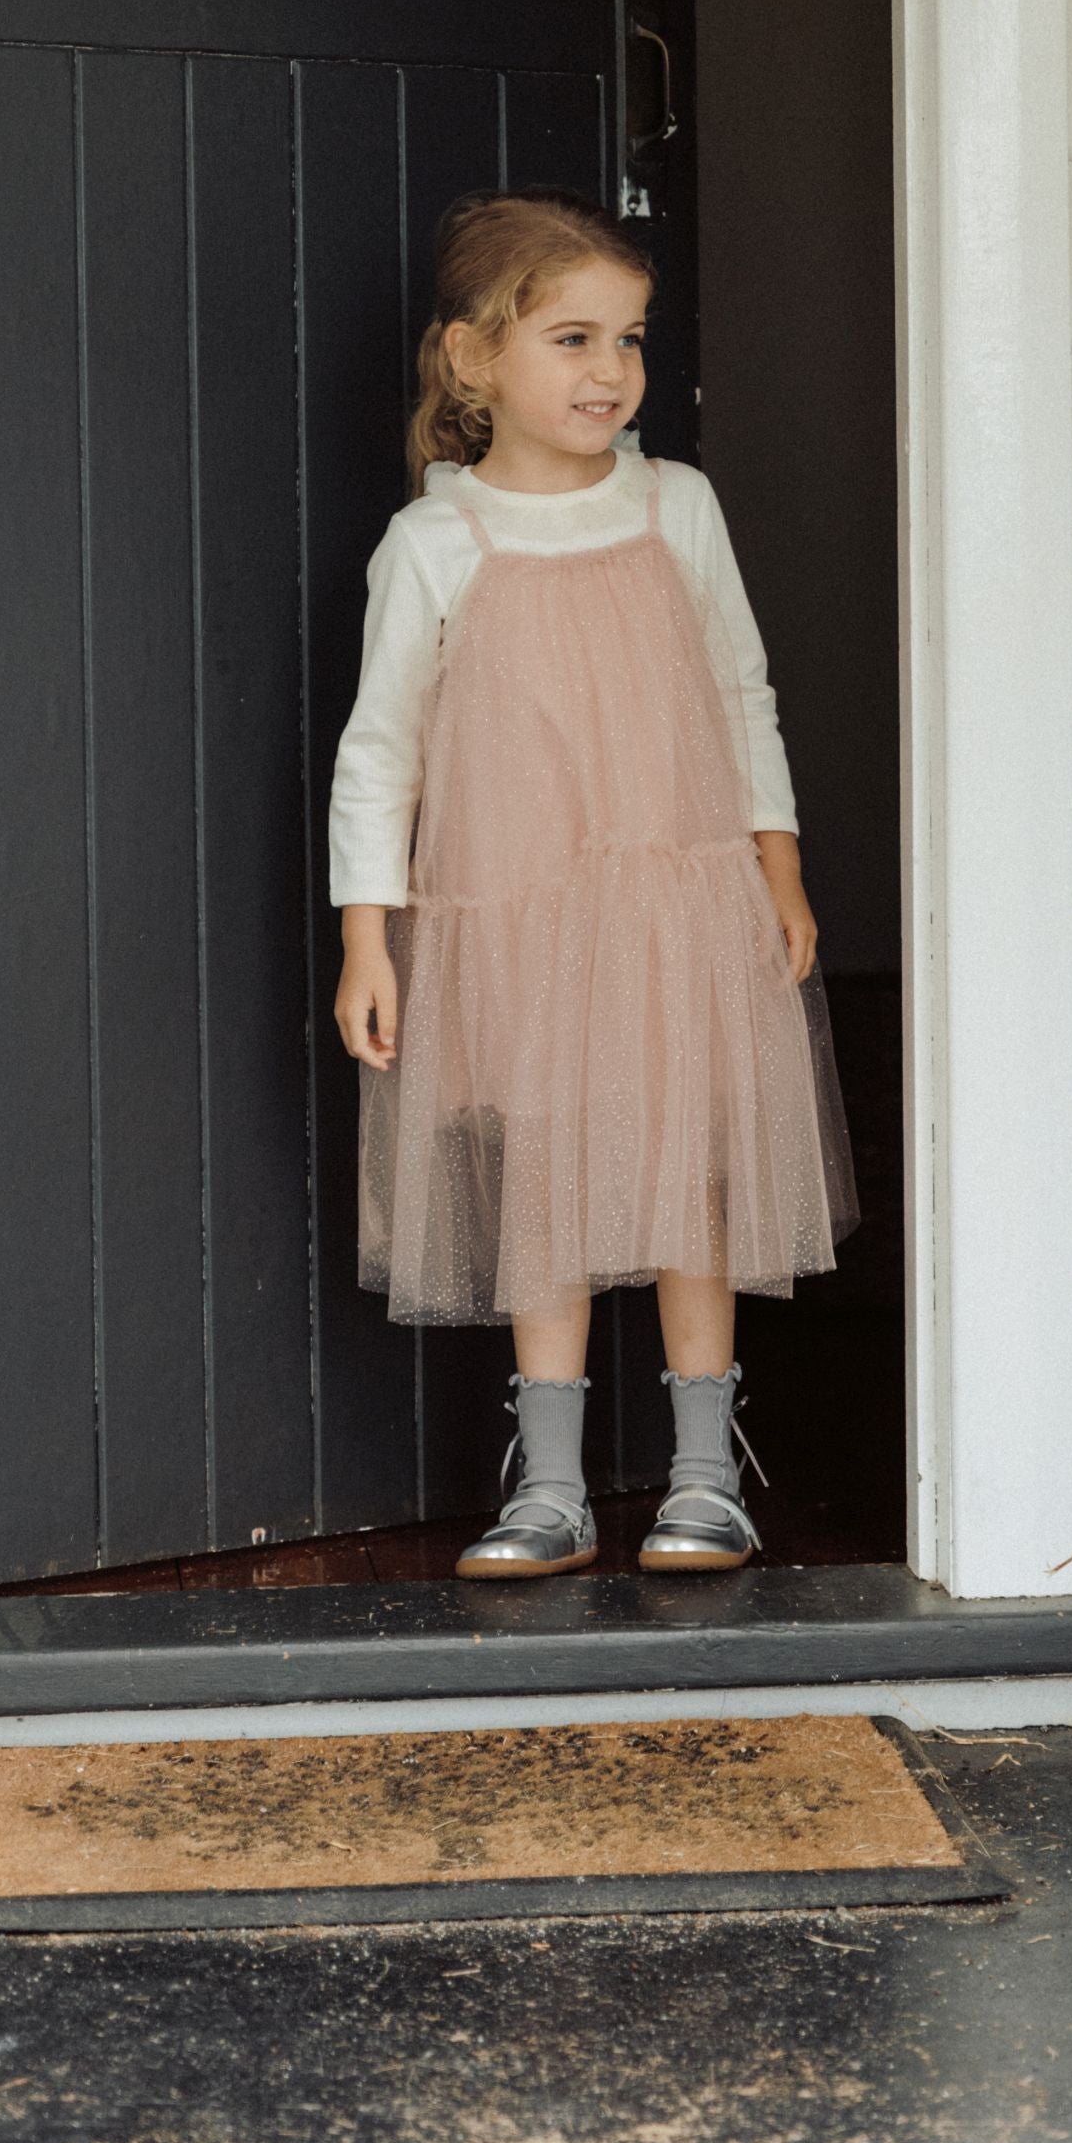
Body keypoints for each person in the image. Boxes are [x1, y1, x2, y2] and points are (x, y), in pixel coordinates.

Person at [328, 188, 857, 1579]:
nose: (611, 370)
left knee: (690, 1168)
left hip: (679, 906)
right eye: (572, 338)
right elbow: (379, 753)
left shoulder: (676, 507)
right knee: (547, 1176)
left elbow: (743, 692)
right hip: (520, 917)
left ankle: (702, 1474)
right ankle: (552, 1487)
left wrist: (778, 864)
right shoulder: (437, 544)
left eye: (628, 338)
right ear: (472, 360)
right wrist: (366, 939)